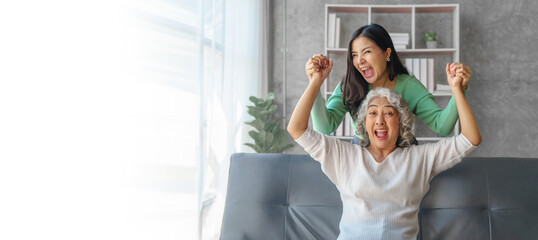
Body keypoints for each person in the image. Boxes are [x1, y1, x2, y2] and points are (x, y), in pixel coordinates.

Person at [287, 58, 481, 239]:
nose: (379, 120)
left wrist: (457, 89)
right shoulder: (344, 155)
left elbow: (471, 138)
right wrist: (315, 82)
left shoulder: (420, 158)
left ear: (401, 121)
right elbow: (296, 129)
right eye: (372, 113)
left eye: (388, 113)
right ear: (363, 122)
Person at [309, 23, 472, 139]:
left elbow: (442, 127)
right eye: (354, 55)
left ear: (387, 53)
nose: (359, 61)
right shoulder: (350, 85)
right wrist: (316, 83)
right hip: (361, 158)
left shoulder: (409, 86)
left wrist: (458, 89)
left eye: (366, 52)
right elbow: (324, 128)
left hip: (401, 157)